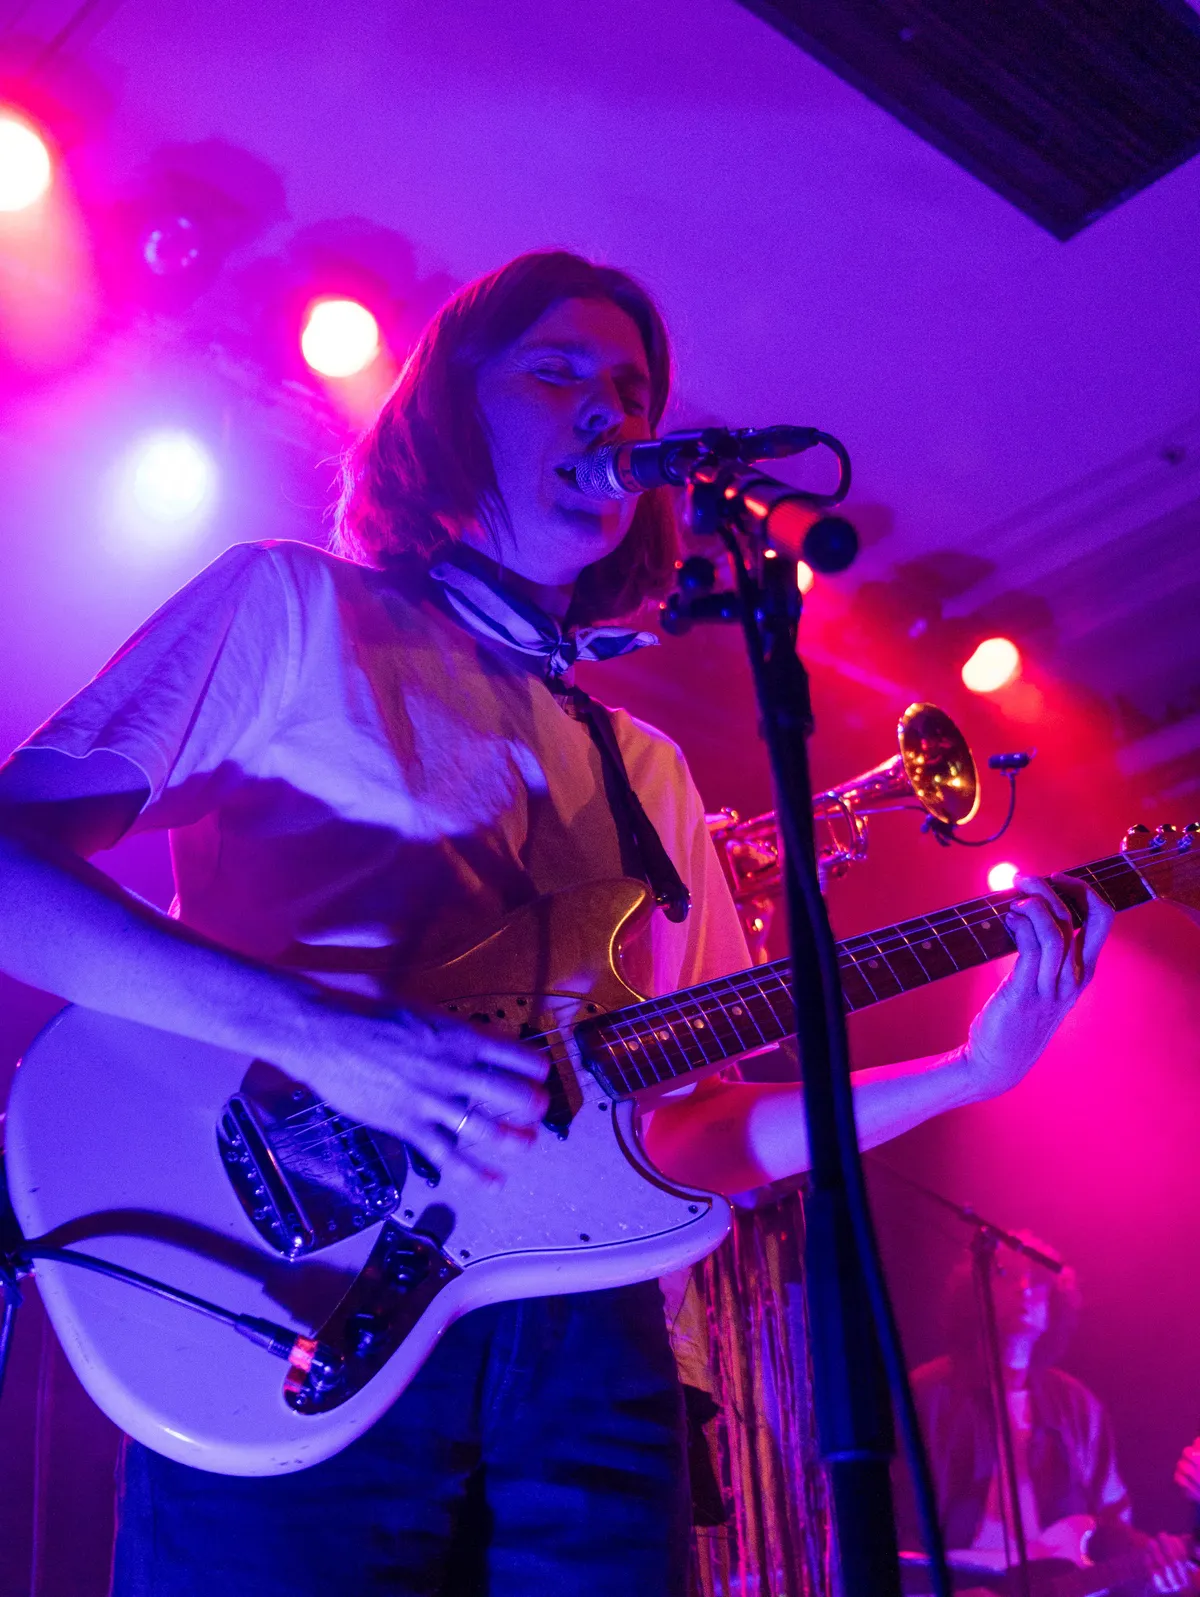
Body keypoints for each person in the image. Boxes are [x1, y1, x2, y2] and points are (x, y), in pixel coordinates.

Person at [0, 250, 1113, 1596]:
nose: (610, 409)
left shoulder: (651, 771)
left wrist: (966, 1074)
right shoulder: (296, 610)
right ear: (449, 412)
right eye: (555, 371)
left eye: (633, 389)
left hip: (589, 1361)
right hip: (289, 1293)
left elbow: (693, 1128)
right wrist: (320, 1035)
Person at [904, 1234, 1193, 1593]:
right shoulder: (926, 1394)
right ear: (976, 1290)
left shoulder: (1078, 1405)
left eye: (1039, 1281)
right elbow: (886, 1520)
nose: (1025, 1288)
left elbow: (1110, 1526)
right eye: (1006, 1274)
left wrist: (1158, 1562)